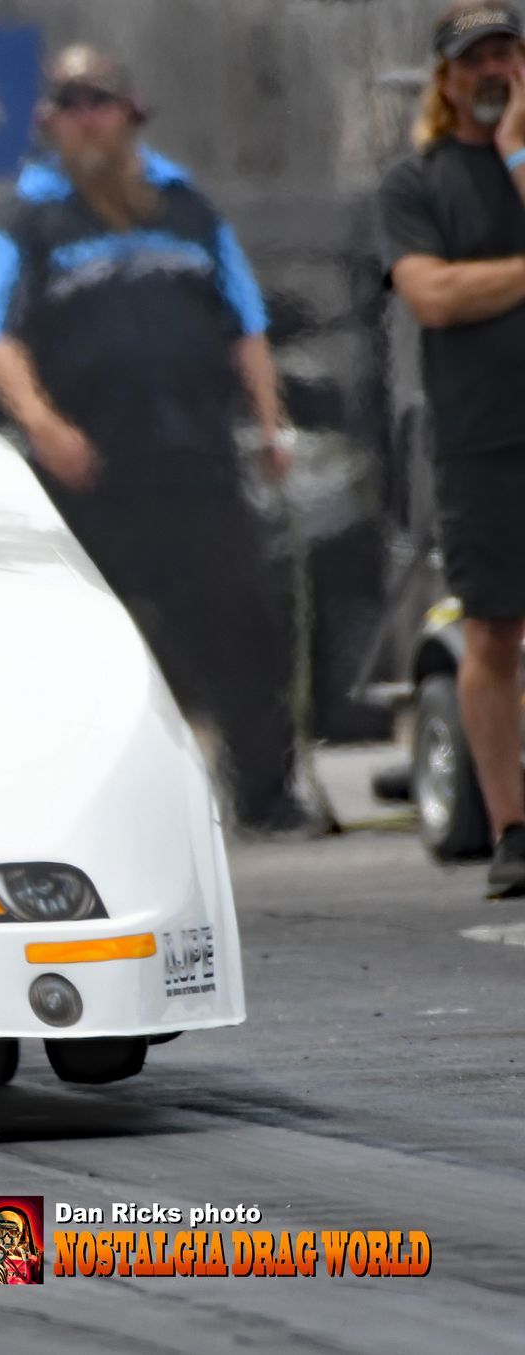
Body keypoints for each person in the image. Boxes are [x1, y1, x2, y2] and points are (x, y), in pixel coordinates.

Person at [0, 43, 306, 832]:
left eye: (101, 102)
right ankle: (104, 814)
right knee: (96, 646)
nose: (88, 119)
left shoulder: (189, 209)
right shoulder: (27, 220)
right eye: (72, 105)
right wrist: (44, 425)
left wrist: (270, 421)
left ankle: (265, 792)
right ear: (50, 122)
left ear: (131, 111)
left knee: (242, 628)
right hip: (91, 475)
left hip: (198, 461)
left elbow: (247, 323)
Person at [380, 2, 525, 895]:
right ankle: (512, 825)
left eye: (509, 53)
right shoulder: (418, 182)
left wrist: (517, 152)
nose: (494, 69)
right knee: (493, 632)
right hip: (482, 442)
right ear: (446, 76)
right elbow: (430, 295)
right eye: (478, 59)